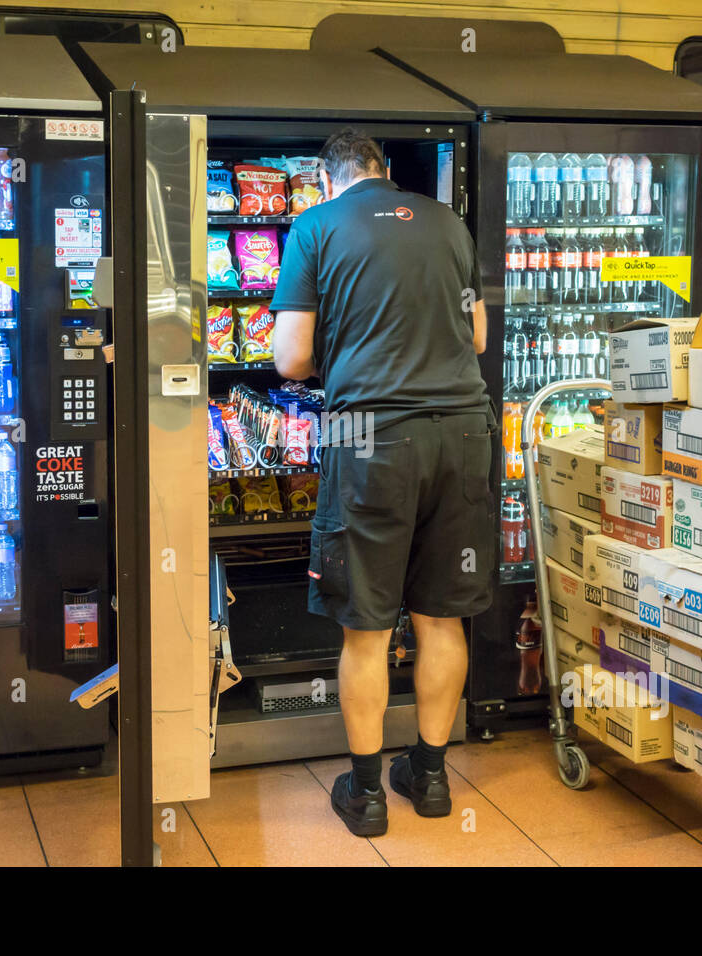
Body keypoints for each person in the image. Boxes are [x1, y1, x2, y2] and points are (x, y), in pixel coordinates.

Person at [271, 128, 494, 837]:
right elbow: (478, 339)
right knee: (441, 618)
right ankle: (429, 778)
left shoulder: (314, 226)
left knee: (366, 628)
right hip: (464, 429)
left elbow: (289, 360)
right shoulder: (446, 221)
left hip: (365, 432)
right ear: (388, 172)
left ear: (326, 178)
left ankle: (365, 795)